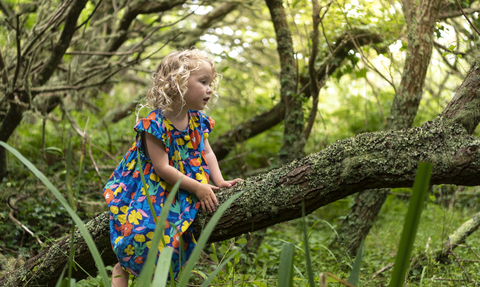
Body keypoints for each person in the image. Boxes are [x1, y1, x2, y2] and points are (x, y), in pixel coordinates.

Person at [102, 49, 242, 287]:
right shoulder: (155, 124)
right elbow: (161, 168)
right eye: (203, 82)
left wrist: (218, 181)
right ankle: (122, 269)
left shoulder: (198, 120)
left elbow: (207, 153)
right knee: (140, 232)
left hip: (184, 185)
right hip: (154, 185)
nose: (210, 89)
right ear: (177, 83)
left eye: (211, 83)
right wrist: (198, 188)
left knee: (176, 239)